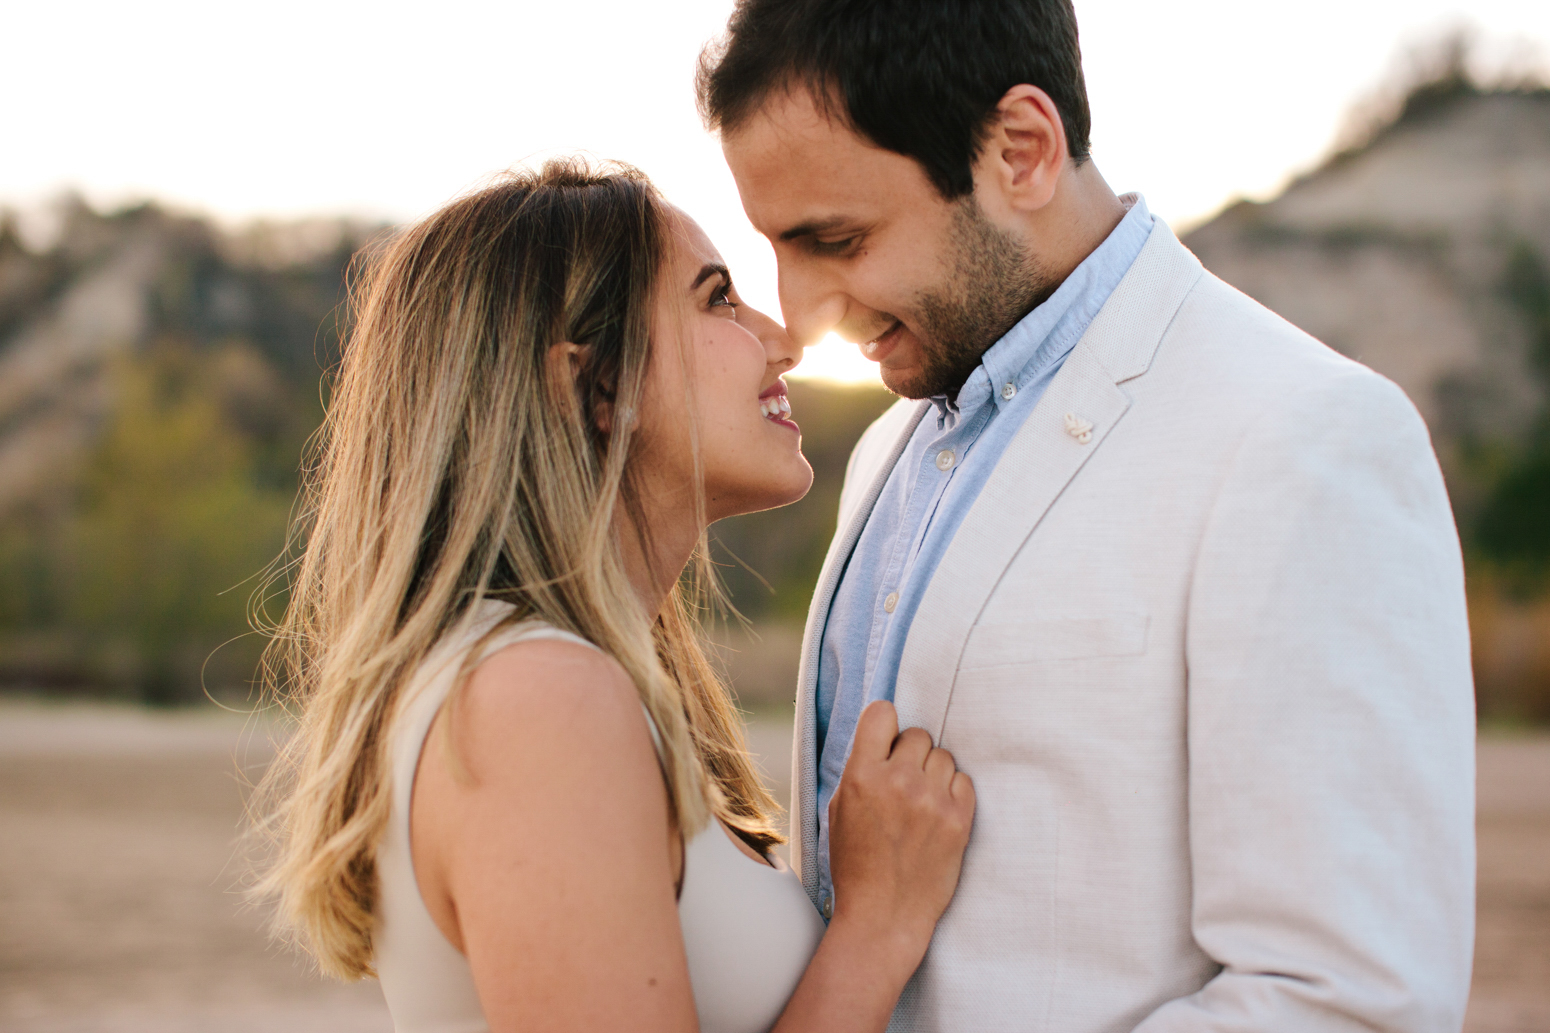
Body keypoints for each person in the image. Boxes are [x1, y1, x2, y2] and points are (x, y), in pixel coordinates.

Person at [698, 1, 1477, 1030]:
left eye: (835, 239)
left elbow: (1351, 1000)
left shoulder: (1306, 437)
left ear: (1020, 150)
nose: (800, 313)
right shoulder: (888, 450)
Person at [251, 159, 976, 1033]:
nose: (782, 337)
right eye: (717, 299)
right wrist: (877, 924)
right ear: (596, 384)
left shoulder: (561, 681)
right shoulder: (534, 700)